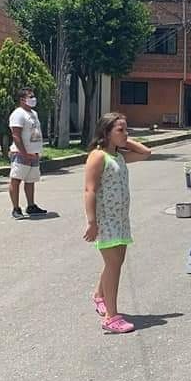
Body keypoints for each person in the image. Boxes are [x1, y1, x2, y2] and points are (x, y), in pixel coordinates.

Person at [82, 112, 152, 334]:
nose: (125, 133)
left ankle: (99, 295)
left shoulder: (119, 156)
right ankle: (111, 317)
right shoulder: (98, 156)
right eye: (120, 130)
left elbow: (146, 153)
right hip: (106, 220)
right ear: (106, 132)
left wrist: (122, 139)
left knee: (115, 262)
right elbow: (89, 190)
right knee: (114, 265)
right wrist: (92, 222)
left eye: (126, 129)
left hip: (120, 219)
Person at [8, 88, 48, 219]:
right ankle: (16, 208)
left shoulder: (33, 114)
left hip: (34, 153)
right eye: (30, 97)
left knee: (30, 181)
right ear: (22, 99)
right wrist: (23, 153)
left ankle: (31, 206)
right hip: (21, 154)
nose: (33, 99)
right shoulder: (18, 114)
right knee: (16, 180)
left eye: (33, 96)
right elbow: (16, 135)